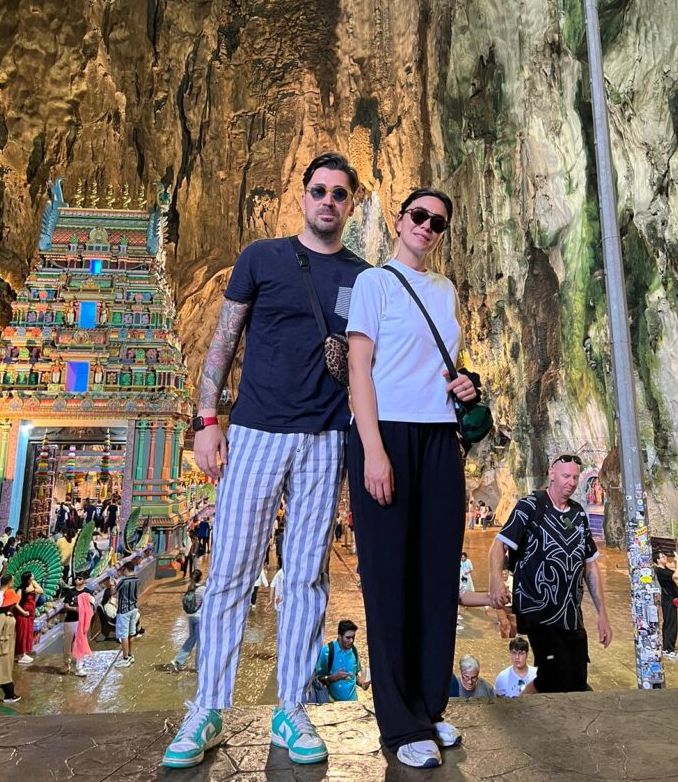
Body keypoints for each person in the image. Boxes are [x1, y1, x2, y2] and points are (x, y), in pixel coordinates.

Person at [162, 153, 368, 770]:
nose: (327, 200)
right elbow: (222, 341)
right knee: (230, 569)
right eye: (318, 190)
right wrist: (206, 422)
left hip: (326, 438)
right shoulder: (261, 258)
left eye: (339, 193)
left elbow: (367, 365)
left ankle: (292, 707)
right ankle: (208, 708)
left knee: (306, 576)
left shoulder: (364, 277)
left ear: (351, 204)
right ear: (302, 197)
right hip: (253, 432)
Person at [347, 187, 480, 770]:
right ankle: (399, 726)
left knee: (434, 576)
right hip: (388, 436)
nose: (427, 226)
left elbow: (439, 366)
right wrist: (373, 450)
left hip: (439, 438)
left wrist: (466, 384)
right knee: (387, 578)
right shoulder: (374, 284)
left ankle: (430, 706)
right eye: (419, 216)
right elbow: (359, 367)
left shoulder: (446, 291)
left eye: (438, 222)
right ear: (400, 221)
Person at [488, 453, 612, 694]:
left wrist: (603, 615)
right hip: (537, 608)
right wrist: (495, 581)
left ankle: (553, 720)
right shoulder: (530, 506)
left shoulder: (578, 515)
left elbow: (590, 566)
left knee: (576, 678)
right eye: (566, 476)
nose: (572, 482)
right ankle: (524, 716)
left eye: (576, 477)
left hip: (570, 614)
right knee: (554, 672)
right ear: (551, 474)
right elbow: (498, 545)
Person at [313, 620, 370, 702]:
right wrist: (334, 677)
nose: (351, 641)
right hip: (334, 705)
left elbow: (354, 675)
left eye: (353, 637)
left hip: (353, 703)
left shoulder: (354, 650)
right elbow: (317, 680)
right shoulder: (327, 651)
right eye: (348, 638)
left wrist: (362, 684)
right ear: (339, 636)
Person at [170, 569, 205, 672]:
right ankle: (199, 667)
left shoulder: (190, 587)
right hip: (200, 618)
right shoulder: (203, 589)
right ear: (201, 577)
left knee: (192, 638)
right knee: (200, 642)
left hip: (191, 617)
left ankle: (178, 660)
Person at [654, 550, 678, 659]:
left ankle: (667, 646)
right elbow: (677, 575)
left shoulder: (664, 569)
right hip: (668, 599)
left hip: (669, 599)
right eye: (662, 557)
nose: (665, 557)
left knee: (669, 623)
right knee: (671, 624)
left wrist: (676, 562)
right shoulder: (660, 571)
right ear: (658, 560)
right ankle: (669, 649)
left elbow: (676, 570)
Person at [115, 560, 140, 667]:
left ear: (125, 569)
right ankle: (130, 654)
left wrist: (112, 584)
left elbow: (113, 591)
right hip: (134, 608)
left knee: (123, 635)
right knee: (131, 633)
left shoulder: (123, 581)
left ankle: (125, 658)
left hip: (124, 610)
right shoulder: (137, 579)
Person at [15, 571, 43, 664]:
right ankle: (20, 655)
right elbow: (16, 604)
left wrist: (32, 590)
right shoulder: (20, 589)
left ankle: (24, 652)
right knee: (22, 634)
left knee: (27, 633)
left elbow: (41, 590)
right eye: (32, 575)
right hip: (23, 615)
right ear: (29, 578)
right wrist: (23, 612)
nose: (33, 576)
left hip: (30, 615)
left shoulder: (33, 584)